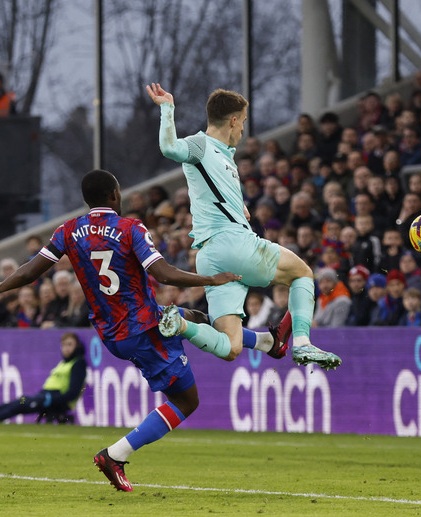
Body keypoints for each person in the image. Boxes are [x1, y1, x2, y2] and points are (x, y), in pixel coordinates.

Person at [0, 169, 254, 492]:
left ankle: (267, 341)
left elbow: (28, 272)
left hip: (112, 332)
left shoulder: (67, 230)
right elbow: (162, 273)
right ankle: (115, 454)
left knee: (193, 317)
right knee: (187, 401)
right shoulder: (129, 228)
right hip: (143, 329)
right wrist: (208, 279)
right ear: (114, 195)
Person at [146, 83, 341, 370]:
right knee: (302, 274)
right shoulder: (201, 145)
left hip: (210, 257)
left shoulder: (225, 157)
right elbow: (169, 147)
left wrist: (240, 208)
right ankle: (302, 343)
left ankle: (181, 325)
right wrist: (167, 108)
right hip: (233, 244)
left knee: (230, 346)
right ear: (234, 119)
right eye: (244, 122)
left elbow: (212, 194)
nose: (243, 130)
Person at [0, 332, 86, 423]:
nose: (66, 348)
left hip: (54, 399)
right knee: (20, 400)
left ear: (77, 346)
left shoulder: (78, 364)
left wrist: (52, 399)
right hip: (44, 396)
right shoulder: (64, 363)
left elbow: (73, 392)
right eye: (64, 345)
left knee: (20, 404)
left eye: (70, 345)